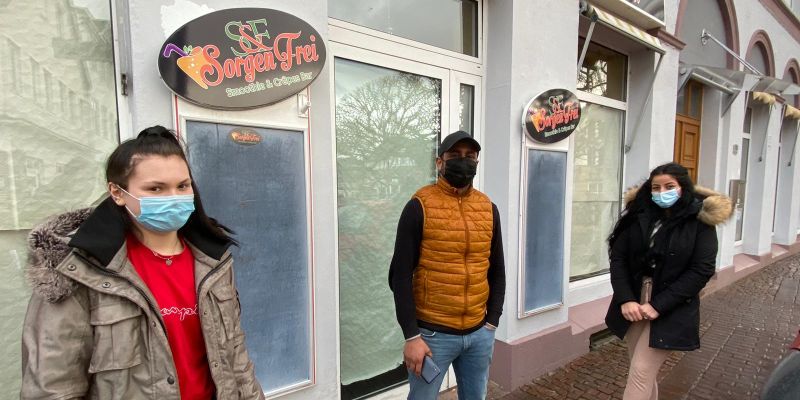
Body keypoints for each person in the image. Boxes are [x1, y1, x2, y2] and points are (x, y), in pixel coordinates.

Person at [21, 126, 265, 399]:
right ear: (117, 192)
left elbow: (237, 360)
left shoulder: (214, 262)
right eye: (156, 188)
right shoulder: (81, 270)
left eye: (182, 186)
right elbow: (53, 387)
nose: (173, 197)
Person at [389, 131, 506, 399]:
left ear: (477, 162)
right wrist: (411, 336)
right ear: (439, 162)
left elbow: (496, 268)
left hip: (479, 333)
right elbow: (399, 276)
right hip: (432, 336)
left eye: (470, 156)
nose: (463, 161)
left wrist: (492, 322)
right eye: (455, 156)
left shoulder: (488, 209)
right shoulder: (419, 206)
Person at [605, 162, 733, 400]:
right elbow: (619, 259)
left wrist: (658, 305)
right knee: (642, 371)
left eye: (669, 186)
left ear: (682, 187)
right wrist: (626, 299)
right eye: (656, 187)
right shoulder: (638, 214)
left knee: (641, 372)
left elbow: (701, 269)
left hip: (671, 305)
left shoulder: (699, 221)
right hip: (634, 302)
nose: (662, 193)